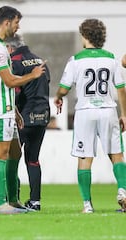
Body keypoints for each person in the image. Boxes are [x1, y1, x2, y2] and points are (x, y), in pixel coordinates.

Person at [54, 18, 126, 213]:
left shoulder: (76, 60)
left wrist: (58, 97)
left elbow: (64, 88)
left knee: (85, 158)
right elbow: (121, 88)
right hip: (108, 110)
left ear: (84, 36)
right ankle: (122, 190)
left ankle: (87, 205)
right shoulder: (112, 58)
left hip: (85, 112)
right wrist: (124, 115)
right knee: (117, 155)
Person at [0, 5, 46, 214]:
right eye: (17, 22)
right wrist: (33, 75)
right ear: (7, 21)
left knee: (15, 152)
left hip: (7, 108)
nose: (18, 27)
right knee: (0, 154)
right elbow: (8, 81)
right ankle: (0, 204)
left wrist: (15, 110)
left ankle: (14, 201)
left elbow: (3, 83)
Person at [5, 34, 51, 211]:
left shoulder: (15, 63)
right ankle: (35, 201)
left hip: (24, 116)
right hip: (43, 115)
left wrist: (15, 112)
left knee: (11, 158)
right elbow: (46, 84)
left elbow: (15, 90)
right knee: (33, 160)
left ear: (10, 48)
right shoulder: (40, 61)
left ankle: (11, 198)